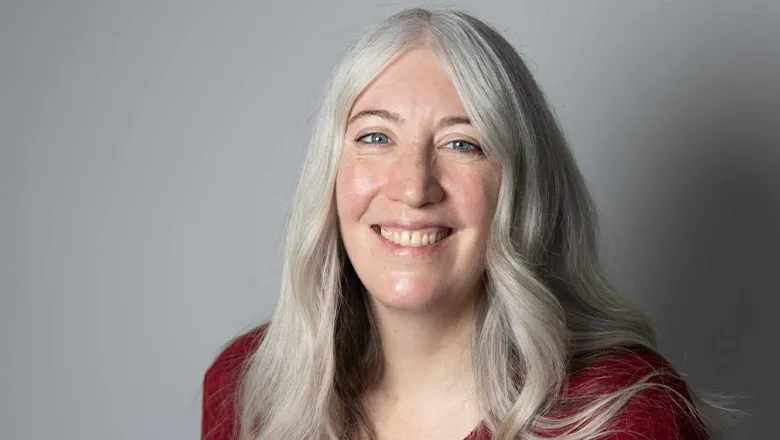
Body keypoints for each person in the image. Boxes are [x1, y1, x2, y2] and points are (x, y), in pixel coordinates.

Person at [202, 8, 713, 440]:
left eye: (462, 144)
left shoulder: (622, 415)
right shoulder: (249, 389)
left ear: (521, 188)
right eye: (376, 138)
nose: (414, 187)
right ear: (329, 175)